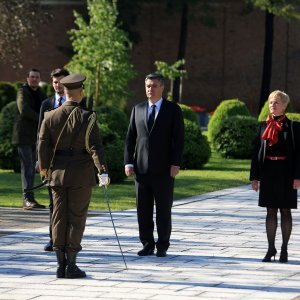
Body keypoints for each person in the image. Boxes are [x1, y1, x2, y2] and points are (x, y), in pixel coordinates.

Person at [38, 73, 109, 278]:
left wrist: (45, 172)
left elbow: (42, 147)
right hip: (80, 176)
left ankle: (60, 265)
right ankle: (71, 265)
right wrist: (102, 171)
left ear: (65, 91)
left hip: (56, 176)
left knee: (58, 218)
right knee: (76, 219)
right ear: (81, 92)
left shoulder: (49, 116)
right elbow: (96, 147)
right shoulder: (88, 117)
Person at [124, 72, 184, 257]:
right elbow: (130, 138)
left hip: (165, 169)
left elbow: (179, 139)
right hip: (141, 170)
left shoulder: (173, 110)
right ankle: (147, 243)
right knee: (143, 209)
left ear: (162, 87)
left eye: (154, 86)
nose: (150, 89)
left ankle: (163, 245)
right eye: (148, 86)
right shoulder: (138, 109)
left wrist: (175, 163)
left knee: (163, 209)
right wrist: (128, 162)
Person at [250, 90, 300, 263]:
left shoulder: (293, 126)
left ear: (284, 105)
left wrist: (297, 177)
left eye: (276, 102)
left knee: (285, 210)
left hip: (286, 172)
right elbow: (255, 153)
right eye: (271, 102)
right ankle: (271, 248)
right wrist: (254, 177)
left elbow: (299, 154)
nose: (273, 105)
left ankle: (284, 249)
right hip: (268, 172)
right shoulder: (262, 126)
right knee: (270, 210)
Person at [37, 68, 70, 252]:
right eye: (55, 81)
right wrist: (39, 160)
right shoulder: (46, 104)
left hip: (71, 161)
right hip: (51, 162)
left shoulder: (77, 103)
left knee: (70, 203)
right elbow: (39, 134)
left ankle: (69, 239)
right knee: (53, 202)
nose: (58, 85)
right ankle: (54, 239)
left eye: (61, 81)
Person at [12, 68, 47, 210]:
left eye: (36, 77)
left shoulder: (41, 93)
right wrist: (42, 119)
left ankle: (30, 199)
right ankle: (27, 199)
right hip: (23, 136)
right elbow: (24, 109)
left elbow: (47, 108)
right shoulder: (22, 91)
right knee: (27, 167)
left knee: (33, 167)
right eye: (32, 77)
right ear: (27, 78)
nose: (34, 79)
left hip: (35, 137)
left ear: (39, 79)